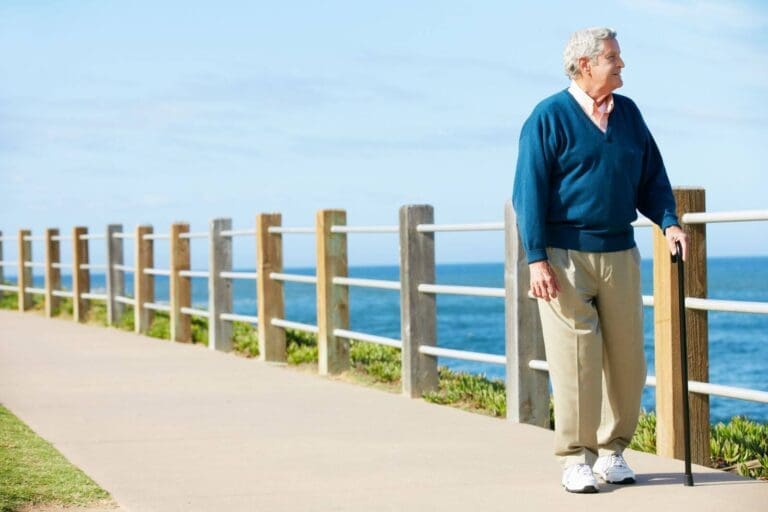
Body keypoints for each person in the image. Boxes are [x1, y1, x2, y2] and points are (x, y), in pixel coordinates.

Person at [512, 27, 689, 494]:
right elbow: (527, 193)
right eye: (613, 57)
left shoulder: (628, 115)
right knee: (576, 361)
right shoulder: (548, 117)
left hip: (619, 253)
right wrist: (536, 259)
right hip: (563, 256)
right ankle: (576, 458)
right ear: (585, 64)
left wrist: (668, 220)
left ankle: (613, 452)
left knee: (628, 360)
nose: (622, 64)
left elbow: (652, 175)